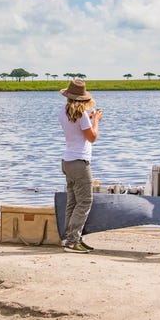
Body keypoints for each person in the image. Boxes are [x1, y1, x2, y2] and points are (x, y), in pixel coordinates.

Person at [58, 79, 102, 253]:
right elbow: (92, 138)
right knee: (85, 201)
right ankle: (72, 240)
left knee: (73, 201)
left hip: (67, 160)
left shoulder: (63, 111)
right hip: (79, 163)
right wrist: (96, 120)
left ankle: (68, 238)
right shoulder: (82, 114)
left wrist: (89, 119)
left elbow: (76, 130)